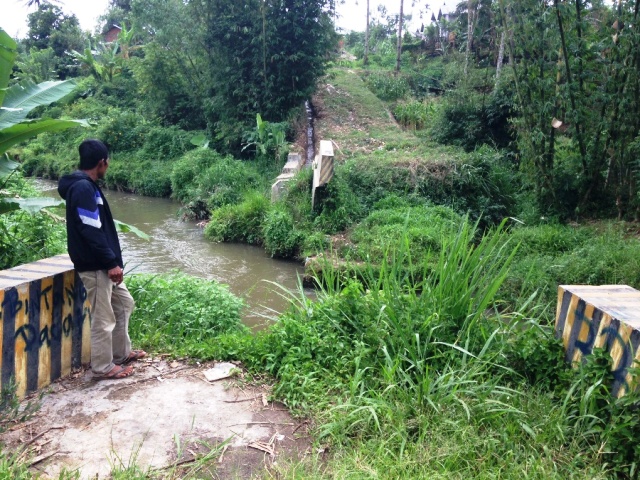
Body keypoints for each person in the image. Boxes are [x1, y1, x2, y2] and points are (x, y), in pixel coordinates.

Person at [58, 139, 146, 380]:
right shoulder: (83, 189)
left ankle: (120, 354)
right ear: (102, 162)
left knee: (124, 304)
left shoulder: (86, 186)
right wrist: (110, 263)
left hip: (103, 264)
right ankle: (103, 367)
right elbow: (91, 231)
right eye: (107, 163)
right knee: (104, 318)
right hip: (96, 266)